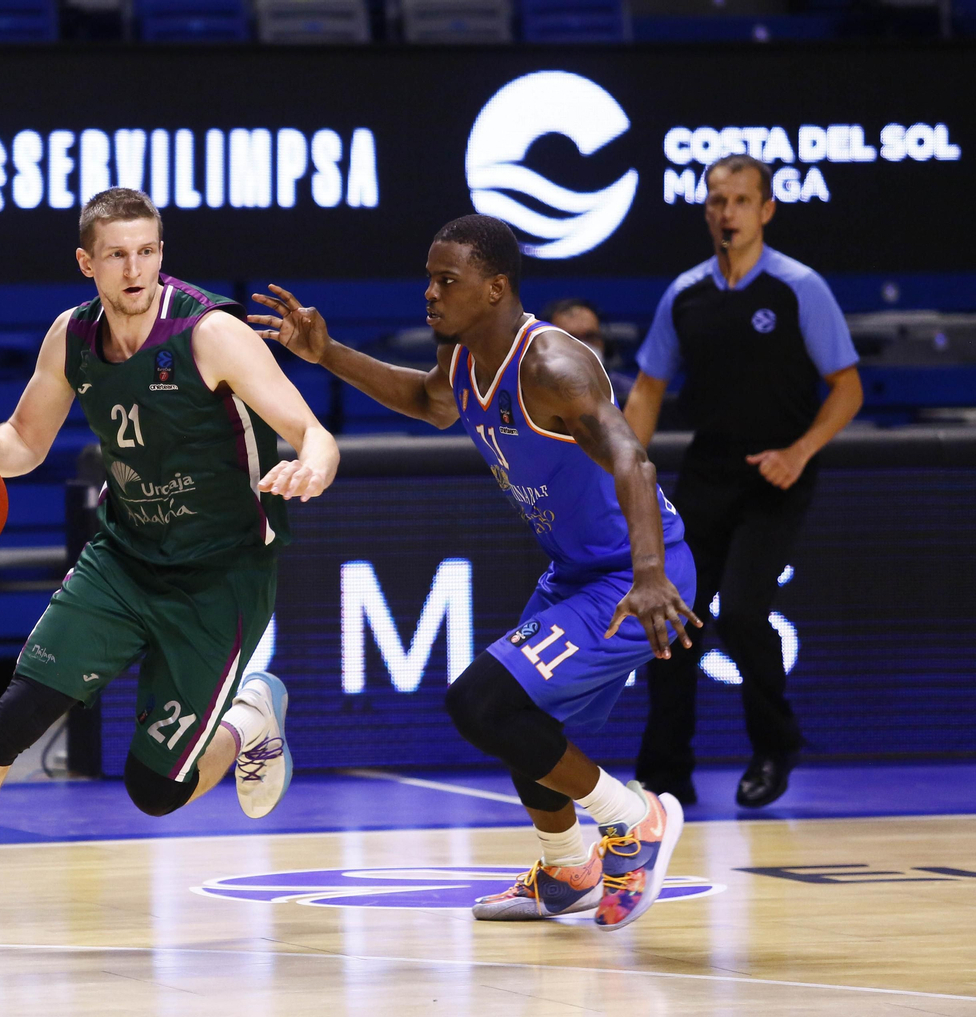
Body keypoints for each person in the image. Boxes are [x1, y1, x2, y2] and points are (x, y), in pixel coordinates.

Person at [0, 187, 340, 953]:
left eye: (148, 250)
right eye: (117, 254)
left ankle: (251, 717)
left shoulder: (212, 333)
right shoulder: (70, 337)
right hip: (125, 559)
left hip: (220, 575)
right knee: (15, 717)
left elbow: (309, 428)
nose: (135, 268)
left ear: (162, 252)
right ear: (86, 263)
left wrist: (314, 464)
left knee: (154, 788)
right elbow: (24, 442)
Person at [253, 214, 698, 928]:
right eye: (428, 278)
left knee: (482, 702)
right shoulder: (461, 358)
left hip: (634, 572)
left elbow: (633, 460)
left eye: (446, 280)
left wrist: (650, 574)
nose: (429, 293)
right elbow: (427, 402)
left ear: (495, 288)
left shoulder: (552, 364)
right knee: (520, 721)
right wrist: (326, 351)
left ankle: (635, 817)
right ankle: (567, 870)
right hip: (577, 572)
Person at [625, 154, 861, 809]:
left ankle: (775, 746)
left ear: (765, 210)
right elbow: (646, 389)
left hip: (776, 475)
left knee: (746, 609)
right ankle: (666, 771)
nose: (725, 212)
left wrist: (801, 449)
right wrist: (621, 472)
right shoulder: (687, 293)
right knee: (672, 620)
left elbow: (847, 387)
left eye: (738, 200)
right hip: (707, 470)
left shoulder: (798, 287)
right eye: (715, 201)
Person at [541, 298, 634, 406]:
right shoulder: (528, 397)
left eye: (590, 337)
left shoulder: (631, 394)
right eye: (570, 338)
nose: (583, 347)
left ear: (604, 342)